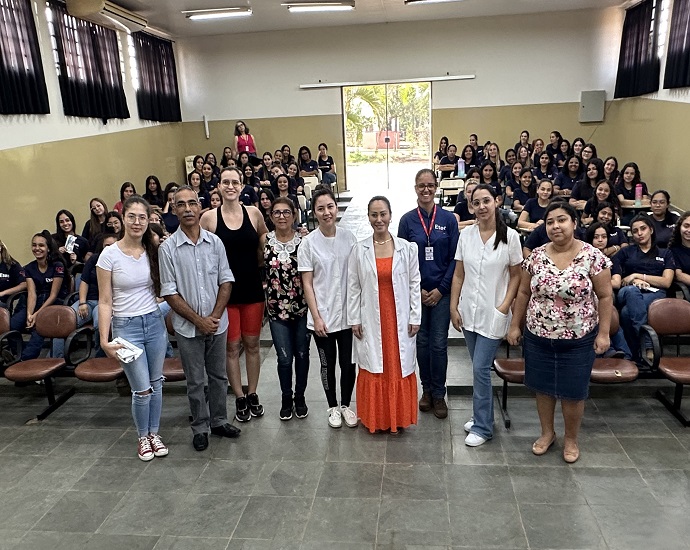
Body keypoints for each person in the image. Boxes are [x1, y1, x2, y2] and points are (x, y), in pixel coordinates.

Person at [508, 201, 613, 464]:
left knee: (573, 391)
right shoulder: (536, 256)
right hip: (538, 336)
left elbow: (605, 296)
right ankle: (547, 434)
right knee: (542, 388)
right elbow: (523, 292)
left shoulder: (592, 257)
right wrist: (514, 325)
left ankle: (571, 439)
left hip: (578, 339)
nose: (556, 225)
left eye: (562, 219)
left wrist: (604, 333)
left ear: (574, 223)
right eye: (551, 221)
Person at [159, 186, 240, 451]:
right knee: (195, 381)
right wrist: (198, 320)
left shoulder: (215, 242)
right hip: (187, 328)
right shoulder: (168, 249)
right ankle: (200, 427)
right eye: (180, 204)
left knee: (219, 377)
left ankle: (218, 421)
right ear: (174, 209)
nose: (187, 209)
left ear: (199, 206)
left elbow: (226, 280)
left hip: (217, 325)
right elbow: (169, 292)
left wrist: (213, 318)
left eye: (192, 203)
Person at [97, 196, 169, 462]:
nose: (137, 222)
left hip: (153, 322)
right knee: (141, 389)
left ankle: (154, 434)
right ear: (122, 219)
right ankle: (142, 437)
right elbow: (105, 301)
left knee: (156, 383)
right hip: (126, 328)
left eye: (142, 217)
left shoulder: (152, 247)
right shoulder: (109, 255)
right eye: (132, 217)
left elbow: (159, 289)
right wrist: (104, 340)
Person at [450, 183, 522, 446]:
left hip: (494, 312)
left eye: (486, 201)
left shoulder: (510, 237)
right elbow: (459, 274)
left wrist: (504, 305)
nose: (481, 207)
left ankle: (483, 427)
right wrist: (453, 306)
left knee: (481, 368)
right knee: (477, 368)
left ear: (496, 201)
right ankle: (483, 416)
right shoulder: (466, 236)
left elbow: (517, 276)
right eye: (476, 202)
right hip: (468, 311)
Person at [348, 195, 421, 434]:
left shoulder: (407, 248)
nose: (379, 219)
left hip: (398, 317)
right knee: (374, 365)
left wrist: (414, 316)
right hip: (370, 316)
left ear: (391, 215)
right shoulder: (360, 249)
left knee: (397, 365)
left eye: (383, 214)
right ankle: (376, 418)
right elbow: (353, 285)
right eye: (374, 215)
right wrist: (354, 319)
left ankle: (398, 417)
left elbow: (413, 283)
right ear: (368, 217)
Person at [201, 166, 268, 422]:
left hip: (252, 289)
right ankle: (239, 395)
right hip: (225, 294)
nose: (230, 186)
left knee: (252, 345)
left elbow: (264, 237)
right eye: (226, 182)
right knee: (231, 347)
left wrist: (263, 258)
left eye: (235, 182)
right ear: (219, 186)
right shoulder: (208, 218)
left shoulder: (253, 213)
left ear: (242, 186)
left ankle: (253, 393)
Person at [398, 169, 458, 418]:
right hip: (417, 294)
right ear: (415, 188)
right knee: (421, 343)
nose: (426, 190)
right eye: (421, 186)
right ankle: (426, 391)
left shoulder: (449, 219)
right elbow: (401, 259)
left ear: (436, 188)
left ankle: (439, 394)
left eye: (430, 185)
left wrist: (441, 289)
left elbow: (456, 258)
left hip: (441, 293)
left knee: (438, 344)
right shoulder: (407, 221)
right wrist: (419, 289)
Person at [298, 188, 358, 429]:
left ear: (336, 208)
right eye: (320, 208)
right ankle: (332, 406)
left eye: (330, 207)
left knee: (348, 363)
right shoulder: (308, 244)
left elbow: (356, 279)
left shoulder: (349, 238)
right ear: (314, 212)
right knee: (327, 364)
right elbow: (307, 283)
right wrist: (316, 316)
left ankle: (346, 405)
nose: (326, 213)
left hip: (347, 315)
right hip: (322, 316)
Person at [263, 197, 311, 420]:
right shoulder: (264, 240)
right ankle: (286, 397)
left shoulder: (304, 241)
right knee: (284, 358)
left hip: (301, 309)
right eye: (277, 212)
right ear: (271, 216)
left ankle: (299, 397)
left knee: (302, 354)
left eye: (286, 212)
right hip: (276, 310)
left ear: (294, 214)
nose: (282, 216)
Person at [612, 214, 675, 361]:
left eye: (643, 229)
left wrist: (638, 276)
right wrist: (632, 281)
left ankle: (634, 355)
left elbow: (666, 282)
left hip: (654, 294)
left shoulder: (665, 253)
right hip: (627, 292)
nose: (639, 233)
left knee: (627, 313)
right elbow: (617, 276)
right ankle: (648, 345)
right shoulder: (625, 252)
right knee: (631, 291)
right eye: (635, 231)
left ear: (651, 230)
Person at [21, 231, 71, 360]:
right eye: (34, 245)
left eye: (41, 245)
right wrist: (29, 314)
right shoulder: (29, 268)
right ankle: (14, 357)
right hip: (38, 301)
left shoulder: (57, 265)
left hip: (57, 303)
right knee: (13, 324)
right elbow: (32, 293)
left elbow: (54, 295)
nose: (37, 248)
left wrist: (37, 314)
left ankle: (26, 361)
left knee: (40, 326)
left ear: (48, 248)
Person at [0, 239, 27, 332]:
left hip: (2, 302)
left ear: (1, 248)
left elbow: (24, 284)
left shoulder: (11, 264)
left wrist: (3, 293)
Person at [669, 212, 690, 285]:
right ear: (679, 227)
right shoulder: (673, 250)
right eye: (686, 226)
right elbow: (679, 275)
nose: (689, 230)